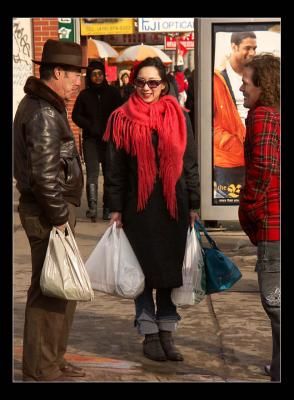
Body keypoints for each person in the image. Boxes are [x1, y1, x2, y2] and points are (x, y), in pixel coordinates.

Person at [103, 57, 200, 362]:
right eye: (141, 82)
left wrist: (194, 203)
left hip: (174, 205)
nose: (147, 88)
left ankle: (168, 333)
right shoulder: (122, 117)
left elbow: (190, 163)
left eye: (153, 82)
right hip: (139, 207)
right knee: (143, 272)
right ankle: (149, 332)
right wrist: (115, 208)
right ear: (133, 83)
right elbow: (115, 169)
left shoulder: (179, 115)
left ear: (163, 83)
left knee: (170, 272)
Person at [14, 39, 85, 381]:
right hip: (48, 214)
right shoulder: (43, 111)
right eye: (74, 74)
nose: (79, 81)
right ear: (57, 72)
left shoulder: (47, 105)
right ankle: (41, 369)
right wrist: (58, 219)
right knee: (48, 292)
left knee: (62, 289)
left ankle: (53, 360)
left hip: (52, 212)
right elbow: (44, 177)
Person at [238, 53, 280, 381]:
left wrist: (249, 206)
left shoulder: (262, 115)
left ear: (262, 85)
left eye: (246, 81)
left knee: (275, 302)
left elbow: (263, 167)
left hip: (273, 223)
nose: (241, 87)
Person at [72, 60, 122, 222]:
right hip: (91, 140)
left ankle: (107, 207)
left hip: (110, 140)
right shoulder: (84, 95)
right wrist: (90, 126)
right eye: (94, 74)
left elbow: (121, 112)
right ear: (90, 77)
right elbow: (76, 115)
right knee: (92, 174)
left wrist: (113, 127)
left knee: (109, 174)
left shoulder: (113, 93)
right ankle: (92, 207)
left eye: (100, 74)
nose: (98, 77)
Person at [214, 32, 257, 199]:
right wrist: (231, 142)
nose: (252, 53)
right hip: (229, 161)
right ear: (233, 46)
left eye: (254, 48)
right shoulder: (217, 79)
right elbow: (207, 121)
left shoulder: (258, 77)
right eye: (247, 48)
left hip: (256, 156)